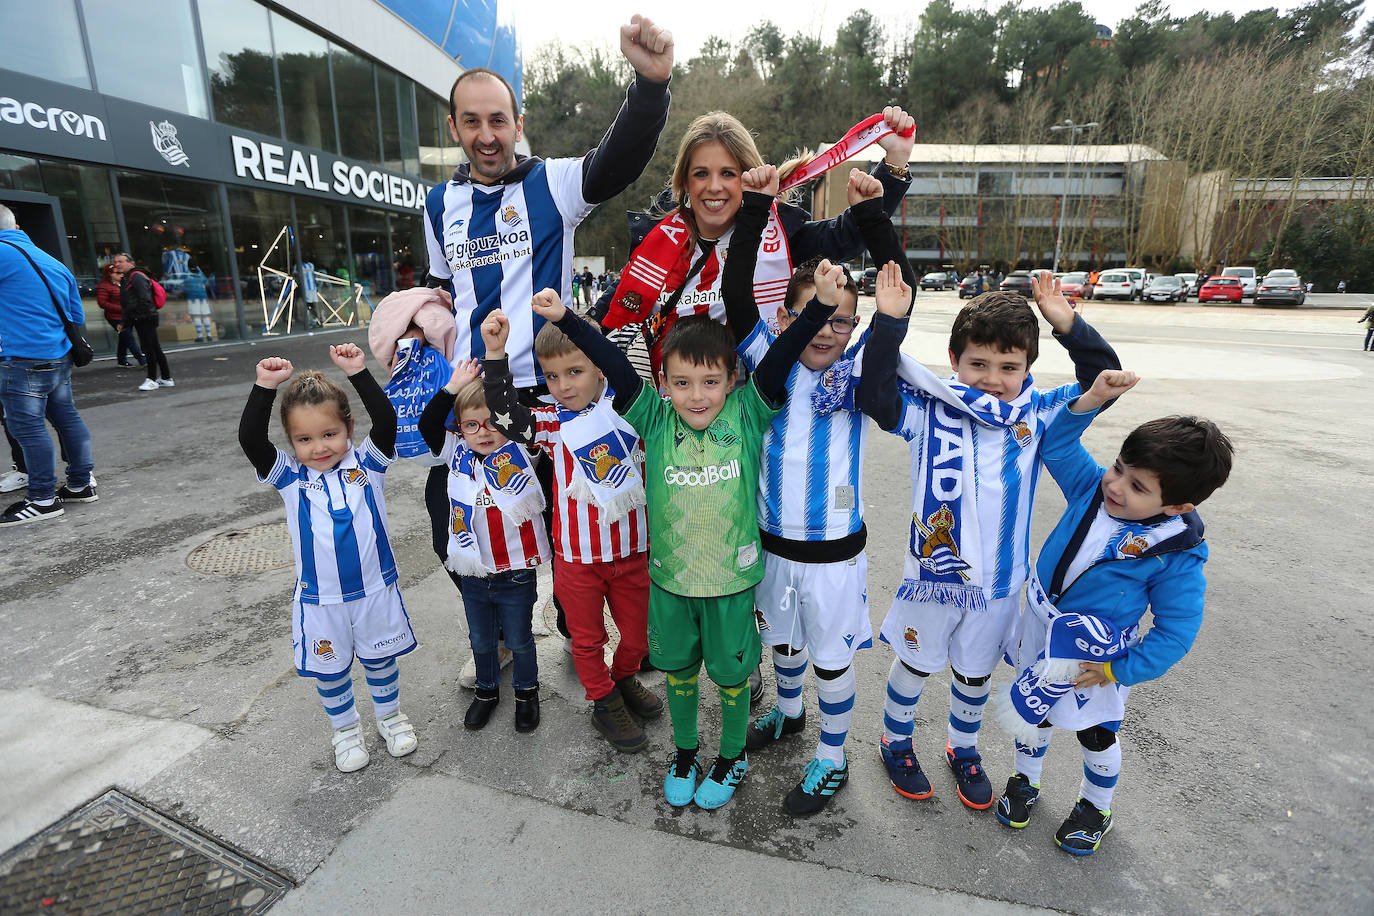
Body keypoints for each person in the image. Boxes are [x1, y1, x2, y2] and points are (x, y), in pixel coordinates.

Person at [531, 250, 846, 809]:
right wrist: (567, 320)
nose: (696, 395)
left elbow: (780, 359)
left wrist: (820, 305)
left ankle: (730, 757)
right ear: (663, 382)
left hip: (731, 583)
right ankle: (684, 751)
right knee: (677, 673)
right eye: (681, 382)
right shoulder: (651, 416)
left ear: (731, 380)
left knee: (731, 680)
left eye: (709, 381)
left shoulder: (749, 413)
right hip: (672, 582)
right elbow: (611, 359)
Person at [421, 16, 673, 644]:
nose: (486, 135)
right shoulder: (435, 205)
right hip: (479, 394)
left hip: (550, 392)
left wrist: (650, 86)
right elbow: (442, 287)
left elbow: (617, 163)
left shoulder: (551, 183)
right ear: (454, 127)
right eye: (472, 121)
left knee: (570, 528)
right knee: (447, 515)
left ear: (518, 124)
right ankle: (504, 638)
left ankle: (574, 628)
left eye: (498, 120)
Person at [855, 272, 1120, 811]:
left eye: (1009, 368)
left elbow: (1103, 379)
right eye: (979, 364)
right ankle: (895, 740)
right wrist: (889, 322)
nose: (992, 379)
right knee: (914, 664)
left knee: (975, 675)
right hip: (933, 580)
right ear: (955, 359)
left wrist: (1067, 324)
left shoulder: (1039, 413)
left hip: (1000, 584)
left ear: (1028, 370)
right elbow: (875, 393)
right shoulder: (932, 406)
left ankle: (963, 747)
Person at [722, 167, 915, 816]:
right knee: (784, 642)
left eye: (845, 318)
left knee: (832, 657)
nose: (831, 328)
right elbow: (735, 289)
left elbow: (898, 288)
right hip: (772, 541)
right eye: (818, 313)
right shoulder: (765, 353)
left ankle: (833, 756)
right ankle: (790, 712)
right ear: (788, 314)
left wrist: (875, 218)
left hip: (833, 551)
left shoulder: (861, 367)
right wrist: (757, 207)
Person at [993, 398, 1233, 856]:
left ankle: (1095, 806)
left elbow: (1176, 632)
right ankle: (1026, 779)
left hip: (1096, 660)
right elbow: (1059, 443)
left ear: (1178, 505)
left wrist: (1116, 671)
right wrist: (1091, 400)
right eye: (1119, 467)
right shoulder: (1092, 489)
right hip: (1041, 631)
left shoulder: (1175, 553)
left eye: (1138, 485)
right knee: (1033, 710)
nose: (1116, 486)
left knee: (1096, 732)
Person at [594, 107, 916, 380]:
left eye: (729, 173)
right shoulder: (654, 244)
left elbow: (847, 233)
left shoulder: (779, 235)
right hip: (664, 425)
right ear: (684, 182)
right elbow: (601, 325)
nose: (714, 186)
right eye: (702, 174)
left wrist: (894, 164)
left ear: (749, 177)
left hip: (747, 426)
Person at [482, 306, 659, 752]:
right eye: (553, 376)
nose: (563, 386)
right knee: (587, 640)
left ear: (600, 367)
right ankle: (603, 701)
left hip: (633, 551)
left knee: (637, 639)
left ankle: (621, 679)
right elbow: (504, 415)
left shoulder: (632, 412)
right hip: (578, 561)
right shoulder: (552, 423)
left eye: (575, 371)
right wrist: (496, 353)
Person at [238, 343, 419, 772]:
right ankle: (345, 729)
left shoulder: (368, 464)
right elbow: (250, 439)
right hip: (320, 600)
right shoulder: (289, 477)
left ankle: (390, 718)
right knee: (330, 671)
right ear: (291, 442)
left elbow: (388, 419)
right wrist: (264, 387)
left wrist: (357, 372)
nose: (319, 447)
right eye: (304, 439)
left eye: (329, 434)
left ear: (348, 428)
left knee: (379, 658)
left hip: (375, 589)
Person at [418, 358, 546, 733]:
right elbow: (428, 423)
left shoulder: (523, 448)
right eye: (472, 425)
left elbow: (520, 418)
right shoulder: (453, 450)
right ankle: (487, 692)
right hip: (472, 571)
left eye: (492, 422)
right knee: (481, 639)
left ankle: (527, 692)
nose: (483, 431)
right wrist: (452, 388)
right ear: (460, 429)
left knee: (520, 640)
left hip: (516, 569)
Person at [0, 204, 97, 526]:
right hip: (58, 355)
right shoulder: (51, 261)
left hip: (20, 357)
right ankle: (81, 483)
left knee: (28, 428)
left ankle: (42, 498)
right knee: (66, 417)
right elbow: (76, 316)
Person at [113, 252, 173, 391]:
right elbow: (129, 304)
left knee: (149, 349)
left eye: (120, 261)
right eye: (116, 262)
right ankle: (166, 378)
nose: (117, 264)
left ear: (131, 263)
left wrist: (134, 318)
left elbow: (144, 299)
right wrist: (126, 321)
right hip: (143, 317)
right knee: (155, 348)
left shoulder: (136, 277)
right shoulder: (129, 277)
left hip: (145, 317)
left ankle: (151, 379)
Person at [97, 262, 144, 367]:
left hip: (127, 315)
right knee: (128, 337)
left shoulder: (123, 283)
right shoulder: (104, 286)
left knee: (124, 337)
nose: (121, 274)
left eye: (121, 272)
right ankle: (142, 359)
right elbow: (102, 303)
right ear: (110, 274)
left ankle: (121, 360)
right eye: (117, 272)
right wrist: (122, 309)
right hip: (115, 317)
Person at [185, 265, 214, 342]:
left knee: (196, 316)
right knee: (205, 316)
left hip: (193, 298)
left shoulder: (187, 275)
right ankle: (209, 335)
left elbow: (182, 285)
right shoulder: (200, 274)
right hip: (203, 298)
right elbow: (207, 283)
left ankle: (200, 336)